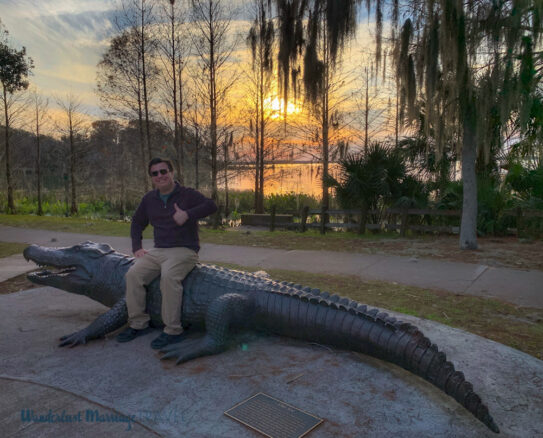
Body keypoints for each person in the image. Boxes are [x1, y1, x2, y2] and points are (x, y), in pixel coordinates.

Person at [116, 157, 217, 349]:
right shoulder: (149, 199)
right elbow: (137, 222)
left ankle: (173, 330)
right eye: (155, 173)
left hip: (185, 250)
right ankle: (139, 324)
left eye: (163, 171)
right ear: (151, 178)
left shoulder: (187, 194)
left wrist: (187, 214)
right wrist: (136, 247)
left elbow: (211, 205)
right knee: (133, 275)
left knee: (169, 277)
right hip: (158, 249)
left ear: (171, 172)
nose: (160, 176)